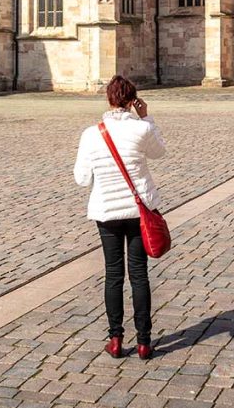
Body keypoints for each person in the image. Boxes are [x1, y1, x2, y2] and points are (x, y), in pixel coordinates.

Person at [73, 74, 165, 360]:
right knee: (139, 275)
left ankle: (115, 339)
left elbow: (81, 178)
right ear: (132, 100)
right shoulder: (140, 129)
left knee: (113, 275)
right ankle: (144, 342)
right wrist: (147, 117)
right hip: (138, 212)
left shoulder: (91, 134)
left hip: (107, 212)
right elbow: (160, 152)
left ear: (109, 99)